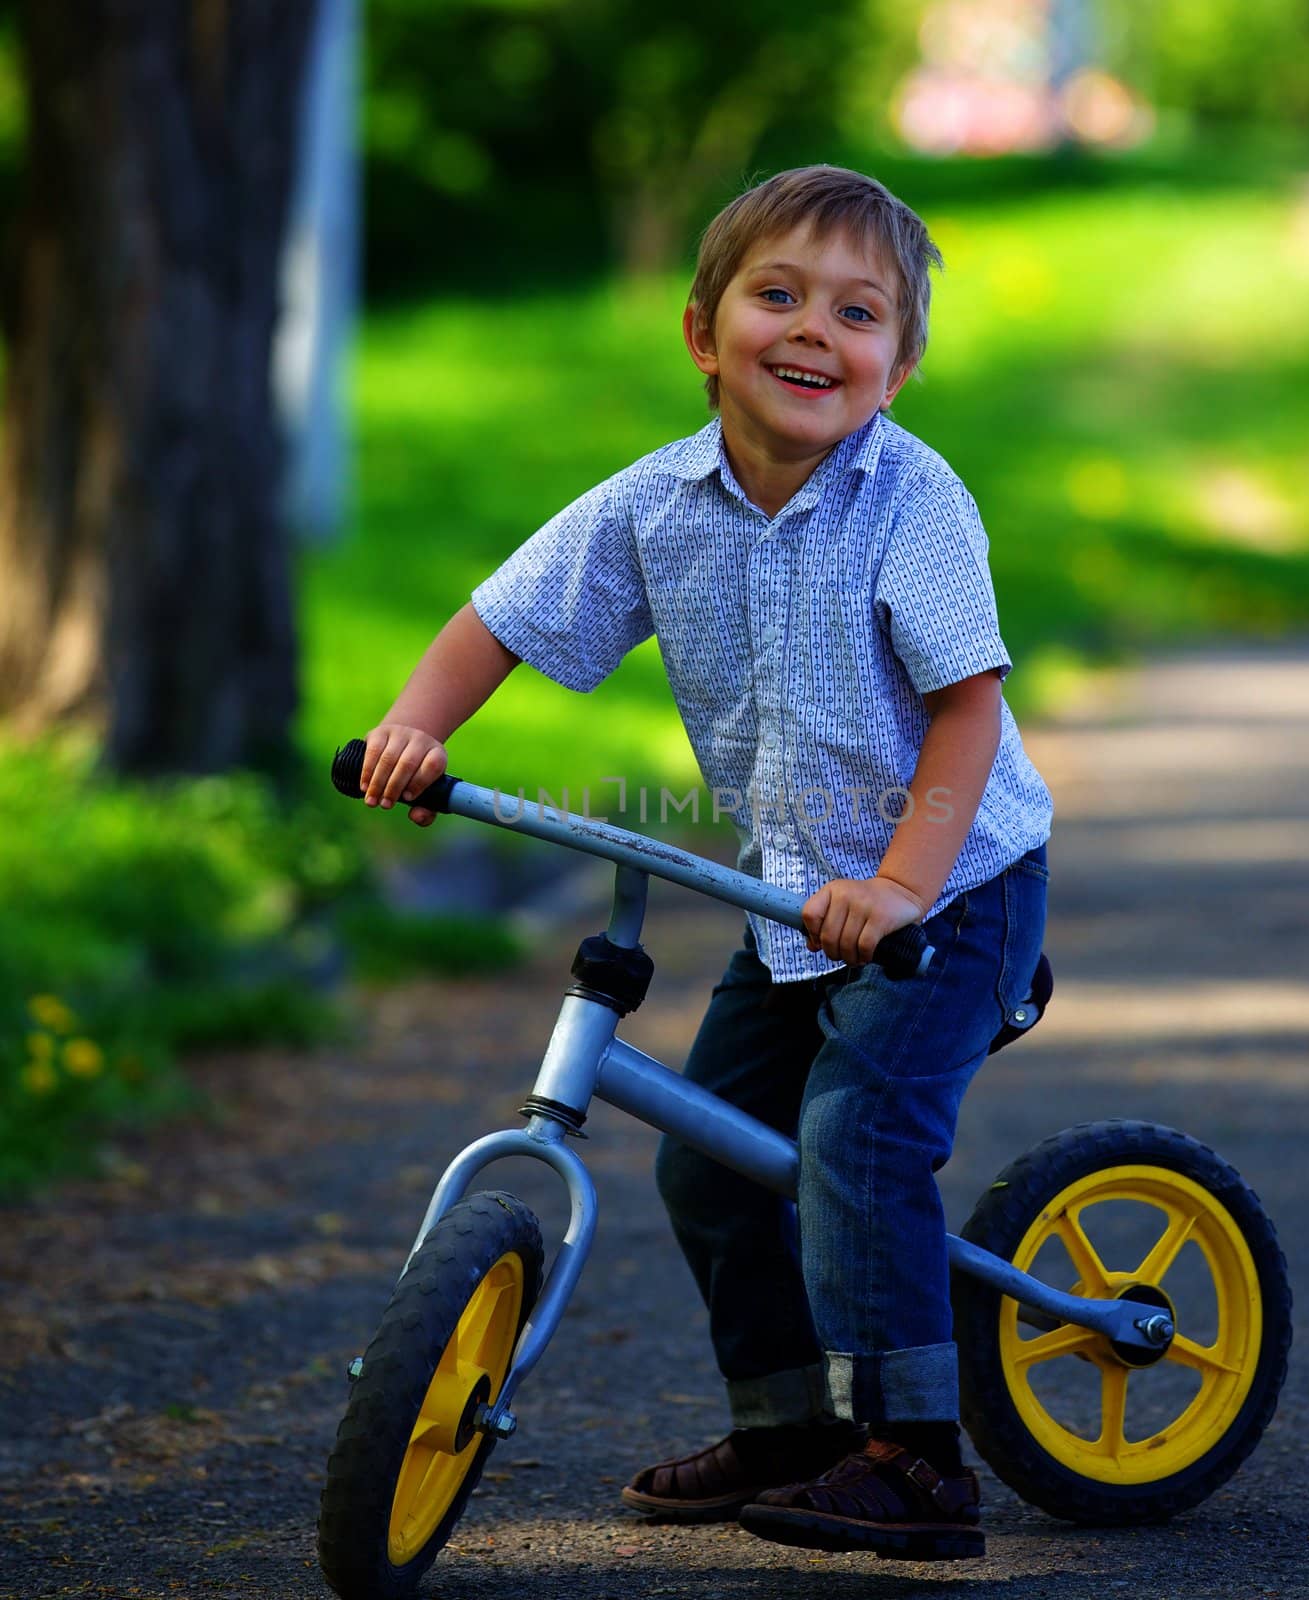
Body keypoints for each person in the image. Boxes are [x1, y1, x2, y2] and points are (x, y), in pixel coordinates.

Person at [359, 165, 1052, 1561]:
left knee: (855, 1144)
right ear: (702, 331)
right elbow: (498, 616)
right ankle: (794, 1429)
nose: (814, 331)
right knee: (710, 1163)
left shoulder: (914, 501)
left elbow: (967, 707)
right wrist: (415, 732)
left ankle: (916, 1460)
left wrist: (907, 887)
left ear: (898, 368)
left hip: (951, 893)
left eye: (858, 313)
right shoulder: (652, 506)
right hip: (789, 895)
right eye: (777, 295)